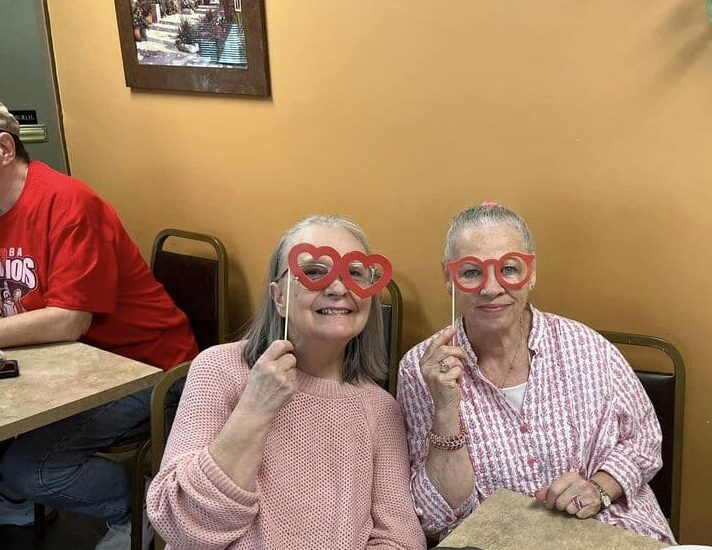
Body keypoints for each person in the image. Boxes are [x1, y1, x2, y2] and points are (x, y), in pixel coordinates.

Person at [398, 203, 675, 544]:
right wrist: (444, 407)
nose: (491, 287)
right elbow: (436, 513)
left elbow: (645, 439)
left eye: (509, 268)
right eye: (471, 272)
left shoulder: (586, 345)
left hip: (613, 530)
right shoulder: (421, 369)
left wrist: (599, 489)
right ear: (448, 278)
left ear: (531, 273)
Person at [147, 215, 425, 550]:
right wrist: (255, 408)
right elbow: (180, 525)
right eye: (313, 272)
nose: (338, 288)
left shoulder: (381, 408)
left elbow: (400, 538)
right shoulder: (218, 369)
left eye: (354, 273)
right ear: (279, 297)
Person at [0, 100, 198, 548]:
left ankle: (139, 506)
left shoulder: (68, 203)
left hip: (147, 368)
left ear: (4, 149)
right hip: (66, 366)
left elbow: (70, 319)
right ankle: (15, 497)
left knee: (30, 469)